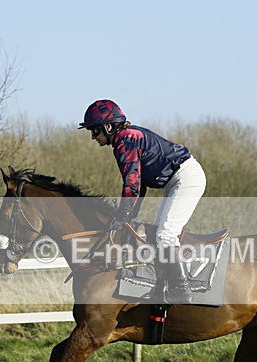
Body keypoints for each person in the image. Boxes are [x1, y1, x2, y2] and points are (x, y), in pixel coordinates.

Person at [79, 99, 206, 304]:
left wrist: (122, 217)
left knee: (165, 235)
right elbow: (139, 184)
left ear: (108, 127)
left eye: (94, 131)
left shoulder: (126, 140)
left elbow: (132, 183)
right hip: (177, 180)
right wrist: (128, 216)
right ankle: (165, 283)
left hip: (186, 178)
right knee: (158, 234)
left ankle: (181, 289)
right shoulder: (126, 139)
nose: (93, 137)